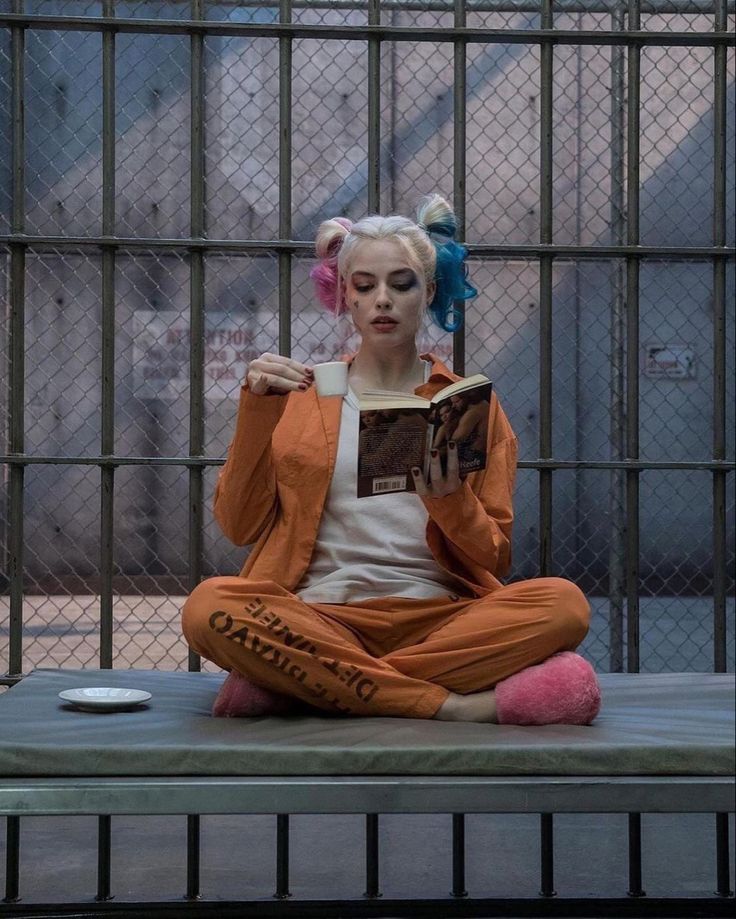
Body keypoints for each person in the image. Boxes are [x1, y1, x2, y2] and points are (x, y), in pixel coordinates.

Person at [182, 194, 600, 724]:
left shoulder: (471, 406)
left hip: (441, 620)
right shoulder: (300, 396)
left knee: (564, 604)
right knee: (209, 607)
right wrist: (255, 413)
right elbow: (239, 525)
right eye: (365, 285)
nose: (383, 300)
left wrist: (451, 504)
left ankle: (310, 683)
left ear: (428, 292)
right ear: (345, 299)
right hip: (320, 617)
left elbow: (494, 558)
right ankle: (450, 706)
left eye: (401, 284)